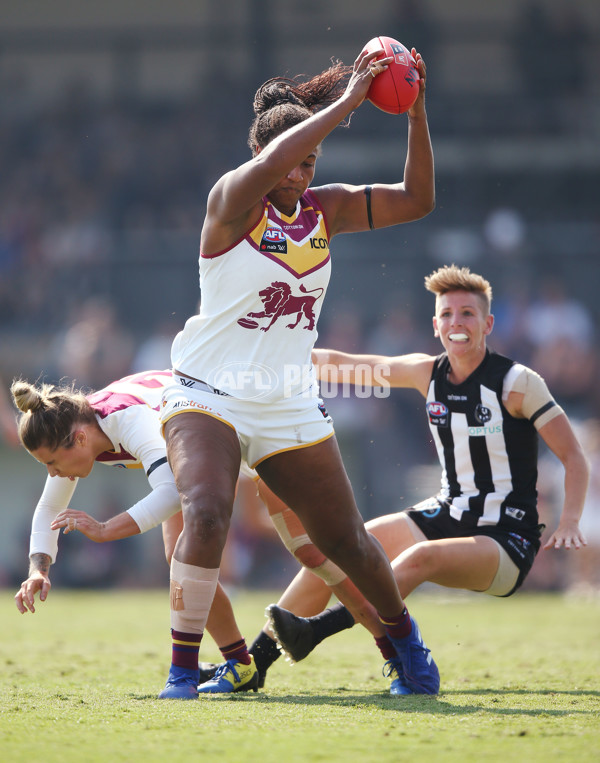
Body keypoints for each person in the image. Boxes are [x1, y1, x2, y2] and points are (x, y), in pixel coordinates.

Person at [157, 41, 437, 699]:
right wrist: (345, 104)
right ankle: (181, 669)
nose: (303, 172)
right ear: (263, 157)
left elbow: (418, 199)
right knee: (205, 513)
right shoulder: (231, 198)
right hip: (207, 391)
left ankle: (406, 647)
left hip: (284, 400)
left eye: (313, 161)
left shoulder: (326, 209)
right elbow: (277, 158)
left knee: (350, 542)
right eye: (294, 160)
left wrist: (415, 114)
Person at [241, 264, 589, 688]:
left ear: (488, 323)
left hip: (506, 539)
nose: (456, 323)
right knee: (345, 546)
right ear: (435, 323)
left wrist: (569, 520)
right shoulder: (426, 372)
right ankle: (253, 665)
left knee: (420, 560)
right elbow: (343, 363)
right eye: (447, 314)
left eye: (467, 314)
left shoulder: (518, 383)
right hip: (446, 512)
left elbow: (574, 456)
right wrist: (269, 355)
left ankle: (317, 631)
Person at [11, 370, 272, 693]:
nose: (52, 472)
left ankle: (202, 670)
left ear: (79, 439)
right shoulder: (76, 427)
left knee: (311, 550)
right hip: (206, 438)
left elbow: (172, 491)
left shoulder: (127, 420)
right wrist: (39, 570)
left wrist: (106, 529)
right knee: (180, 556)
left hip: (244, 422)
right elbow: (49, 509)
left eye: (52, 462)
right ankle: (237, 664)